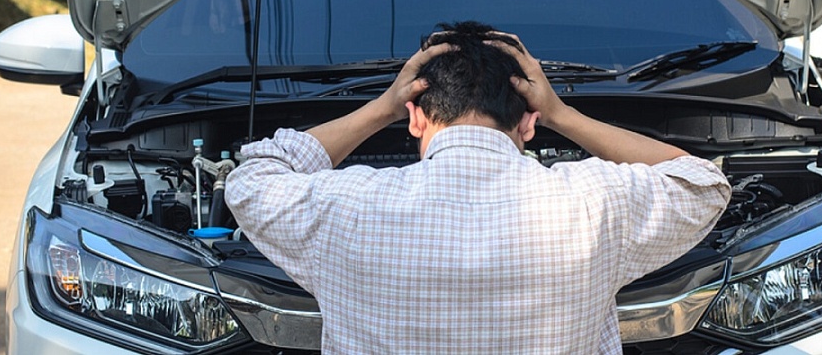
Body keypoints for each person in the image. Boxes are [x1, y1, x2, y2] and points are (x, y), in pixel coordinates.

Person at [225, 21, 731, 354]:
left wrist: (380, 108)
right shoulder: (593, 203)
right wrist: (564, 114)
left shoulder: (344, 205)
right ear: (529, 123)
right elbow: (704, 182)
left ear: (415, 118)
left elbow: (251, 178)